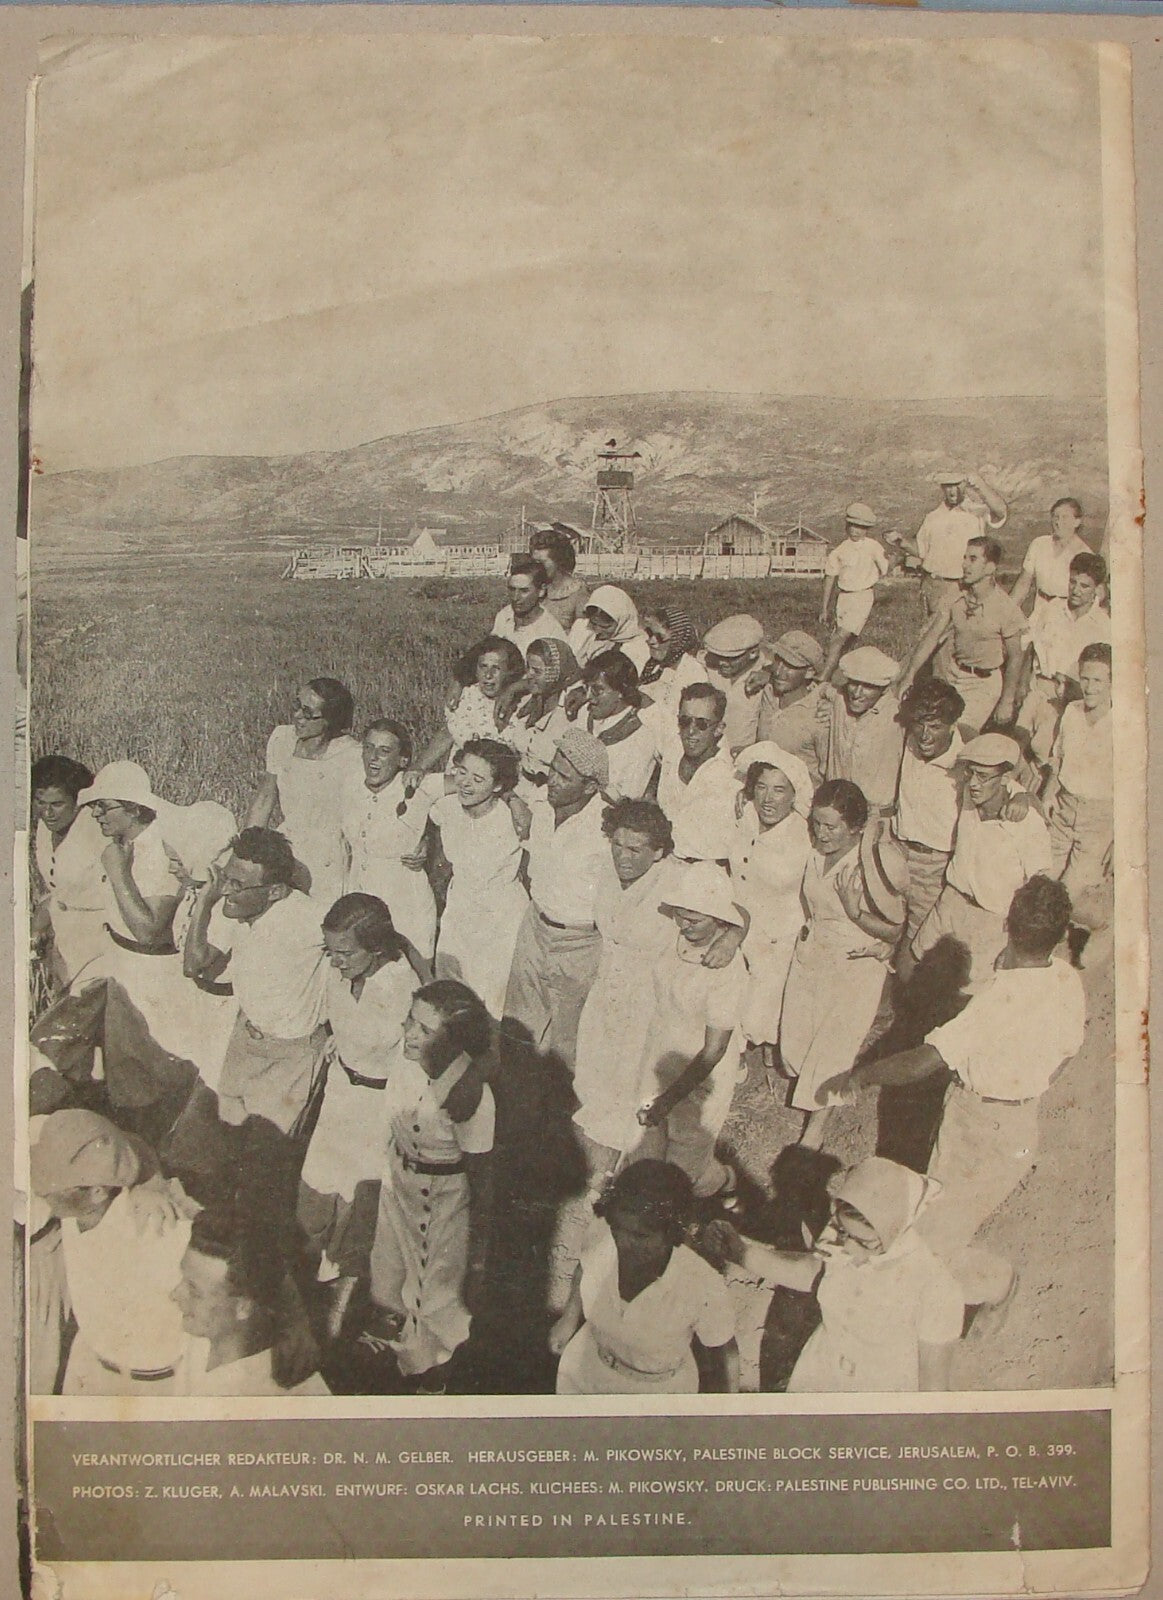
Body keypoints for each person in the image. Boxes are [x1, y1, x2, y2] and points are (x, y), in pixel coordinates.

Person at [846, 878, 1085, 1316]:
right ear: (1060, 936)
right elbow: (1064, 1057)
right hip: (1020, 1122)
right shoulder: (1067, 980)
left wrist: (860, 1077)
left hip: (978, 1126)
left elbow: (922, 1062)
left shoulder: (993, 1002)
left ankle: (994, 1284)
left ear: (1008, 926)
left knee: (935, 1243)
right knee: (947, 1217)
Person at [706, 1156, 963, 1393]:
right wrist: (741, 1253)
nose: (847, 1247)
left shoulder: (936, 1290)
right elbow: (812, 1273)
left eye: (865, 1242)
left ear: (898, 1230)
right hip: (819, 1372)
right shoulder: (841, 1242)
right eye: (842, 1231)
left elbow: (934, 1390)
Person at [179, 827, 328, 1232]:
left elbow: (379, 939)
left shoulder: (309, 919)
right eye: (226, 878)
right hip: (244, 1046)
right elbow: (193, 964)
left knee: (265, 1175)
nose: (227, 889)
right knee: (223, 1156)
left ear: (276, 891)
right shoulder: (233, 908)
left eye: (238, 884)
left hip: (290, 1059)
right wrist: (205, 902)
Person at [363, 980, 495, 1391]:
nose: (409, 1034)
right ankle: (390, 1351)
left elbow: (482, 1177)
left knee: (433, 1295)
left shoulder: (472, 1095)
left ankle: (431, 1378)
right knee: (387, 1271)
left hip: (442, 1200)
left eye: (424, 1030)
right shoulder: (404, 1060)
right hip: (399, 1182)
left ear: (454, 1042)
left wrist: (478, 1251)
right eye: (410, 1022)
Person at [298, 894, 417, 1323]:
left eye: (344, 953)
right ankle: (305, 1289)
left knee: (357, 1211)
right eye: (330, 951)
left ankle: (340, 1311)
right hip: (339, 1095)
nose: (335, 962)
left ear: (377, 949)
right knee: (315, 1195)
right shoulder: (343, 970)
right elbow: (344, 1021)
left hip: (376, 1109)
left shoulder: (402, 988)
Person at [29, 1108, 193, 1395]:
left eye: (52, 1187)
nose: (40, 1191)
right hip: (88, 1369)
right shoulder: (74, 1207)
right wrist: (148, 1179)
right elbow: (124, 1143)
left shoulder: (157, 1228)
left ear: (97, 1192)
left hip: (151, 1386)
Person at [779, 780, 903, 1147]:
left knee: (832, 1048)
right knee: (794, 1050)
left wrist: (854, 911)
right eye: (817, 824)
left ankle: (815, 1128)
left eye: (832, 827)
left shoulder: (875, 865)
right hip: (813, 953)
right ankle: (834, 1086)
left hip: (856, 963)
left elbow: (895, 931)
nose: (822, 833)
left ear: (856, 828)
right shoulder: (813, 852)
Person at [549, 1160, 738, 1396]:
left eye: (641, 1235)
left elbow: (724, 1356)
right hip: (583, 1374)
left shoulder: (702, 1285)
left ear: (672, 1233)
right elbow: (585, 1267)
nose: (622, 1242)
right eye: (618, 1227)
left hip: (656, 1393)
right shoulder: (602, 1233)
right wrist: (568, 1319)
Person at [628, 860, 748, 1198]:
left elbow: (713, 1051)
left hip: (700, 1076)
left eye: (695, 920)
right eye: (681, 915)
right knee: (646, 1147)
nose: (684, 925)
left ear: (720, 921)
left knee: (684, 1172)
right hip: (661, 1056)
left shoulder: (726, 968)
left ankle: (724, 1180)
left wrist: (669, 1099)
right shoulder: (675, 932)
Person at [501, 727, 615, 1075]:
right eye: (552, 769)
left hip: (579, 943)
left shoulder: (608, 827)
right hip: (534, 928)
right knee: (517, 1028)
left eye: (564, 777)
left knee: (566, 1042)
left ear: (591, 787)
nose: (552, 780)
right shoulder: (541, 804)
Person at [911, 734, 1052, 992]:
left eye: (983, 777)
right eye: (971, 773)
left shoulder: (1027, 822)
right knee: (916, 964)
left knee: (968, 994)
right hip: (951, 901)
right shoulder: (968, 792)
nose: (973, 783)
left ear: (1006, 779)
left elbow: (1039, 885)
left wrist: (1016, 941)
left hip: (991, 920)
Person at [172, 1207, 331, 1395]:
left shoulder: (257, 1396)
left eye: (194, 1292)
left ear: (244, 1307)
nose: (174, 1294)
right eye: (183, 1279)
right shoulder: (205, 1331)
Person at [429, 739, 529, 1019]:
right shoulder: (446, 809)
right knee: (452, 996)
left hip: (501, 920)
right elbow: (419, 789)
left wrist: (515, 799)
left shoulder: (514, 817)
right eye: (461, 772)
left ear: (498, 786)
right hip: (460, 911)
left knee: (494, 1003)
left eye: (478, 778)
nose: (466, 784)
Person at [728, 745, 814, 1067]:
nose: (768, 799)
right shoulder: (745, 814)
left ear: (794, 794)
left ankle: (769, 1038)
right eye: (761, 787)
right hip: (738, 924)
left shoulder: (804, 835)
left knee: (758, 1018)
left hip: (778, 938)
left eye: (779, 790)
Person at [245, 678, 363, 906]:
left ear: (330, 720)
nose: (297, 716)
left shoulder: (352, 755)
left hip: (326, 858)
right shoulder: (282, 739)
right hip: (286, 847)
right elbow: (265, 798)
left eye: (308, 713)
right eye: (297, 706)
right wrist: (247, 849)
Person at [896, 537, 1026, 736]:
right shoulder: (956, 593)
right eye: (964, 558)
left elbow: (1016, 656)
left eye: (973, 559)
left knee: (960, 736)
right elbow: (932, 636)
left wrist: (1007, 700)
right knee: (927, 729)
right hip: (952, 674)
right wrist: (909, 675)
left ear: (990, 567)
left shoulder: (1005, 608)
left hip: (982, 684)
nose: (964, 564)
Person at [341, 719, 438, 961]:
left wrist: (432, 839)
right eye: (368, 748)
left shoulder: (417, 786)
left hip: (405, 903)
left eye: (384, 751)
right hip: (359, 897)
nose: (373, 757)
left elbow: (473, 784)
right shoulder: (350, 783)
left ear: (403, 760)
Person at [892, 679, 966, 951]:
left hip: (934, 865)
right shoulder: (908, 742)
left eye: (935, 727)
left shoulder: (964, 761)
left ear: (952, 726)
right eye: (919, 723)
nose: (924, 735)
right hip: (897, 851)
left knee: (918, 941)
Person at [1017, 551, 1110, 767]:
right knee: (1018, 744)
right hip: (1037, 688)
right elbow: (1031, 645)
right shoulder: (1051, 609)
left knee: (1044, 753)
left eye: (1084, 586)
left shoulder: (1102, 626)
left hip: (1067, 700)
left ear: (1097, 590)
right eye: (1072, 582)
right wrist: (1022, 684)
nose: (1076, 590)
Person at [887, 467, 1008, 619]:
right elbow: (923, 551)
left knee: (963, 633)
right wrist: (901, 542)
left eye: (957, 484)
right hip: (933, 585)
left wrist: (980, 484)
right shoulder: (933, 517)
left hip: (962, 586)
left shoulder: (976, 512)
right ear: (942, 487)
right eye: (948, 486)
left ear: (965, 484)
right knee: (932, 634)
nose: (953, 490)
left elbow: (1001, 512)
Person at [1044, 643, 1113, 900]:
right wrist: (1049, 795)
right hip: (1064, 810)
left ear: (1111, 683)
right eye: (1085, 678)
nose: (1090, 687)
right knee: (1040, 884)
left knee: (1070, 896)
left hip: (1099, 821)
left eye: (1098, 680)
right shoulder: (1072, 712)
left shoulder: (1123, 722)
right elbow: (1058, 758)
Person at [31, 755, 107, 987]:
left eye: (57, 804)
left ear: (78, 802)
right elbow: (58, 890)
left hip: (99, 943)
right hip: (64, 939)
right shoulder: (45, 828)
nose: (47, 813)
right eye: (40, 802)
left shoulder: (98, 831)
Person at [414, 636, 526, 778]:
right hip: (457, 781)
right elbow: (447, 734)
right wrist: (419, 767)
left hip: (499, 786)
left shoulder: (521, 705)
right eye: (483, 666)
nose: (488, 675)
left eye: (496, 668)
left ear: (510, 672)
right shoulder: (469, 695)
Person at [655, 683, 741, 864]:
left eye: (702, 724)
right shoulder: (674, 748)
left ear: (719, 728)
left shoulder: (727, 775)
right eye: (685, 721)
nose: (690, 731)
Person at [818, 647, 905, 816]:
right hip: (835, 807)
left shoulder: (898, 716)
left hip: (875, 812)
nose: (857, 693)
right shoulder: (840, 698)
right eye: (854, 683)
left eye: (868, 686)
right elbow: (818, 688)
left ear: (884, 689)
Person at [819, 504, 890, 684]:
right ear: (846, 526)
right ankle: (841, 676)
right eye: (852, 525)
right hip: (844, 598)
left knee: (838, 638)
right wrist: (824, 609)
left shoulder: (874, 547)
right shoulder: (840, 550)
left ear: (867, 529)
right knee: (845, 643)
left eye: (861, 527)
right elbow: (830, 578)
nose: (856, 531)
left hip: (862, 597)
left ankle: (822, 678)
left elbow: (886, 568)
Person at [1009, 497, 1092, 649]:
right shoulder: (1039, 544)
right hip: (1038, 613)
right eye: (1055, 516)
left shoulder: (1084, 554)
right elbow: (1023, 584)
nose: (1058, 522)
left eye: (1065, 517)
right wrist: (1006, 614)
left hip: (1066, 618)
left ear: (1077, 522)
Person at [579, 649, 659, 801]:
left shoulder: (641, 736)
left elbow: (627, 799)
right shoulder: (586, 715)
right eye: (586, 688)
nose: (588, 697)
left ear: (621, 691)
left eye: (597, 690)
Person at [502, 636, 580, 792]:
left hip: (549, 793)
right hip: (518, 788)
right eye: (528, 668)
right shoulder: (527, 704)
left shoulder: (571, 713)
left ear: (557, 674)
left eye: (537, 671)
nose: (529, 675)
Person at [753, 630, 828, 787]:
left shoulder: (820, 715)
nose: (779, 671)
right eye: (778, 661)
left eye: (790, 666)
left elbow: (827, 774)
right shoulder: (768, 693)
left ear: (809, 672)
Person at [699, 614, 765, 754]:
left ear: (753, 653)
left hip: (743, 757)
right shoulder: (707, 664)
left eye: (730, 658)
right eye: (718, 656)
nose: (722, 662)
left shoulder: (767, 678)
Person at [491, 555, 569, 653]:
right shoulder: (504, 615)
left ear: (541, 590)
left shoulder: (550, 632)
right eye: (512, 589)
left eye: (524, 591)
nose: (515, 597)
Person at [638, 602, 703, 717]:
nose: (651, 641)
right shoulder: (653, 666)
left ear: (678, 639)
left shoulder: (693, 674)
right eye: (650, 634)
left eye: (660, 637)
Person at [569, 585, 651, 673]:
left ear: (621, 622)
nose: (597, 631)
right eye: (593, 623)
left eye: (605, 627)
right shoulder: (583, 629)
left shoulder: (638, 647)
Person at [529, 527, 589, 632]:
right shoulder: (533, 587)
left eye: (541, 563)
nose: (536, 568)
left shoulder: (578, 592)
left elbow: (583, 635)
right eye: (534, 563)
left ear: (559, 561)